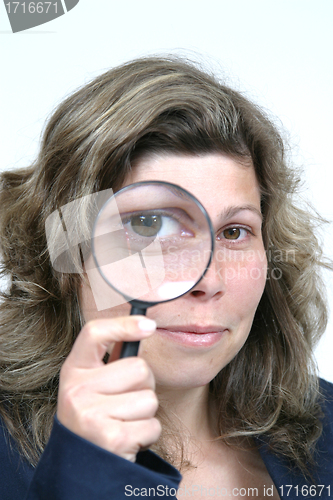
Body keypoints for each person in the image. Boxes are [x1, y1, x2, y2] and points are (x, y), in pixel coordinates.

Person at [0, 56, 332, 500]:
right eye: (149, 226)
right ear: (68, 252)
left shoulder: (326, 428)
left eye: (234, 232)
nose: (208, 280)